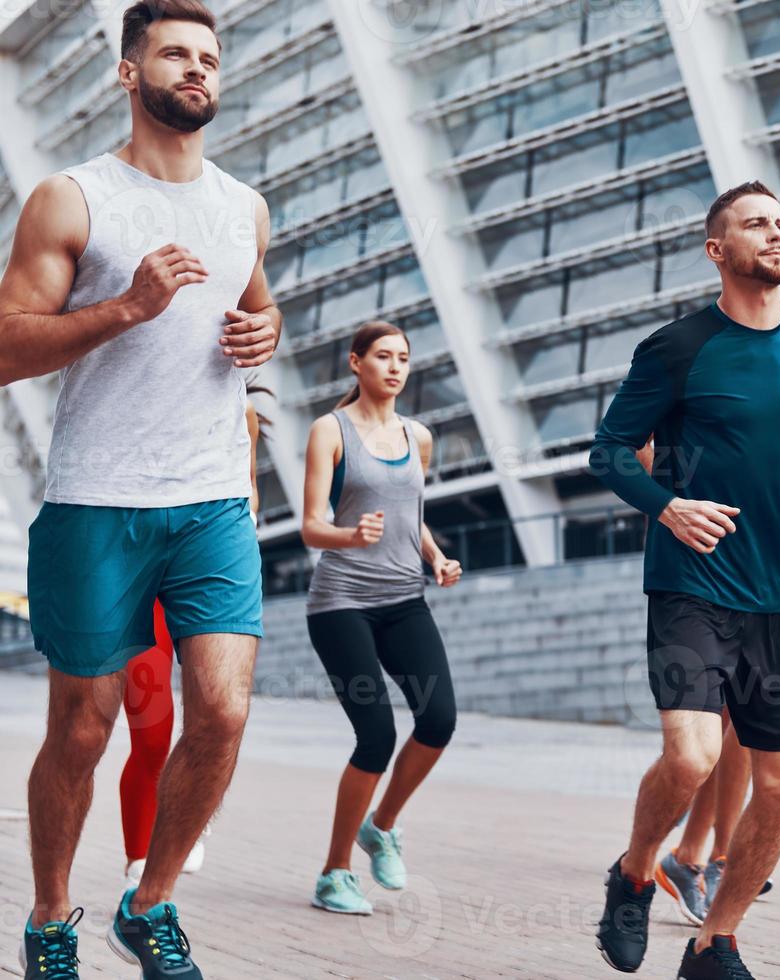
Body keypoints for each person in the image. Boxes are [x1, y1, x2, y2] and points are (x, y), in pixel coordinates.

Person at [0, 2, 281, 977]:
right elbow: (5, 344)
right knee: (81, 728)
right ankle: (46, 915)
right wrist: (128, 306)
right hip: (95, 500)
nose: (197, 69)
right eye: (175, 53)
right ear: (130, 74)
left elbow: (256, 300)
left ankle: (149, 900)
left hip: (212, 502)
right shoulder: (71, 199)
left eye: (209, 57)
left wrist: (265, 332)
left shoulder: (244, 207)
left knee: (225, 711)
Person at [589, 180, 780, 979]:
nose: (774, 234)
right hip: (691, 585)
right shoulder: (676, 348)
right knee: (691, 756)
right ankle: (635, 873)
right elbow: (607, 450)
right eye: (754, 224)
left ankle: (717, 942)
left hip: (779, 597)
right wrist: (667, 507)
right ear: (718, 251)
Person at [300, 321, 462, 915]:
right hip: (341, 604)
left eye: (403, 358)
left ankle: (382, 826)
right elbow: (311, 524)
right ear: (355, 363)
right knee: (375, 735)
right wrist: (349, 535)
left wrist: (438, 558)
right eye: (383, 357)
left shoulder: (417, 436)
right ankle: (334, 873)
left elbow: (407, 512)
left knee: (439, 718)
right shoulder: (330, 430)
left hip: (404, 599)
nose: (395, 367)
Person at [643, 437, 780, 924]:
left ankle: (712, 855)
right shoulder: (677, 376)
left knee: (742, 722)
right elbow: (639, 458)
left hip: (766, 576)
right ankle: (694, 854)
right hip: (699, 578)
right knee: (707, 732)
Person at [120, 386, 270, 885]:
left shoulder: (242, 413)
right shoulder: (136, 396)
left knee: (217, 715)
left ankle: (186, 813)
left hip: (210, 580)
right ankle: (138, 859)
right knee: (151, 732)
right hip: (137, 579)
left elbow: (249, 493)